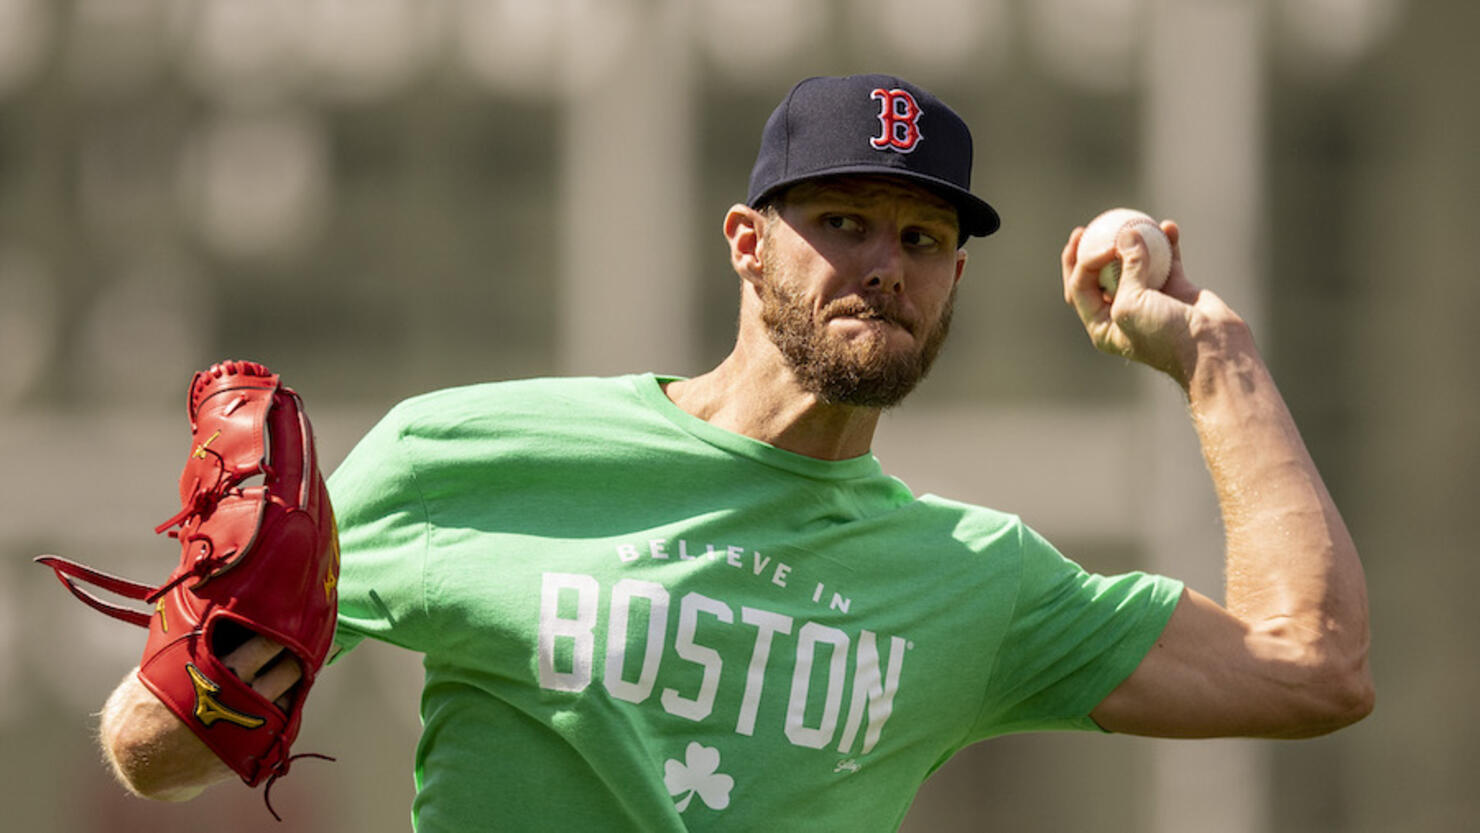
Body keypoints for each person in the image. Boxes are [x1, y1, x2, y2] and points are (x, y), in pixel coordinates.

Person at [94, 74, 1372, 831]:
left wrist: (1216, 359)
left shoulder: (980, 582)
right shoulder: (460, 450)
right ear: (747, 242)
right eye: (843, 219)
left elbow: (1312, 668)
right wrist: (229, 646)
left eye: (924, 239)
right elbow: (148, 755)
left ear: (958, 277)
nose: (884, 262)